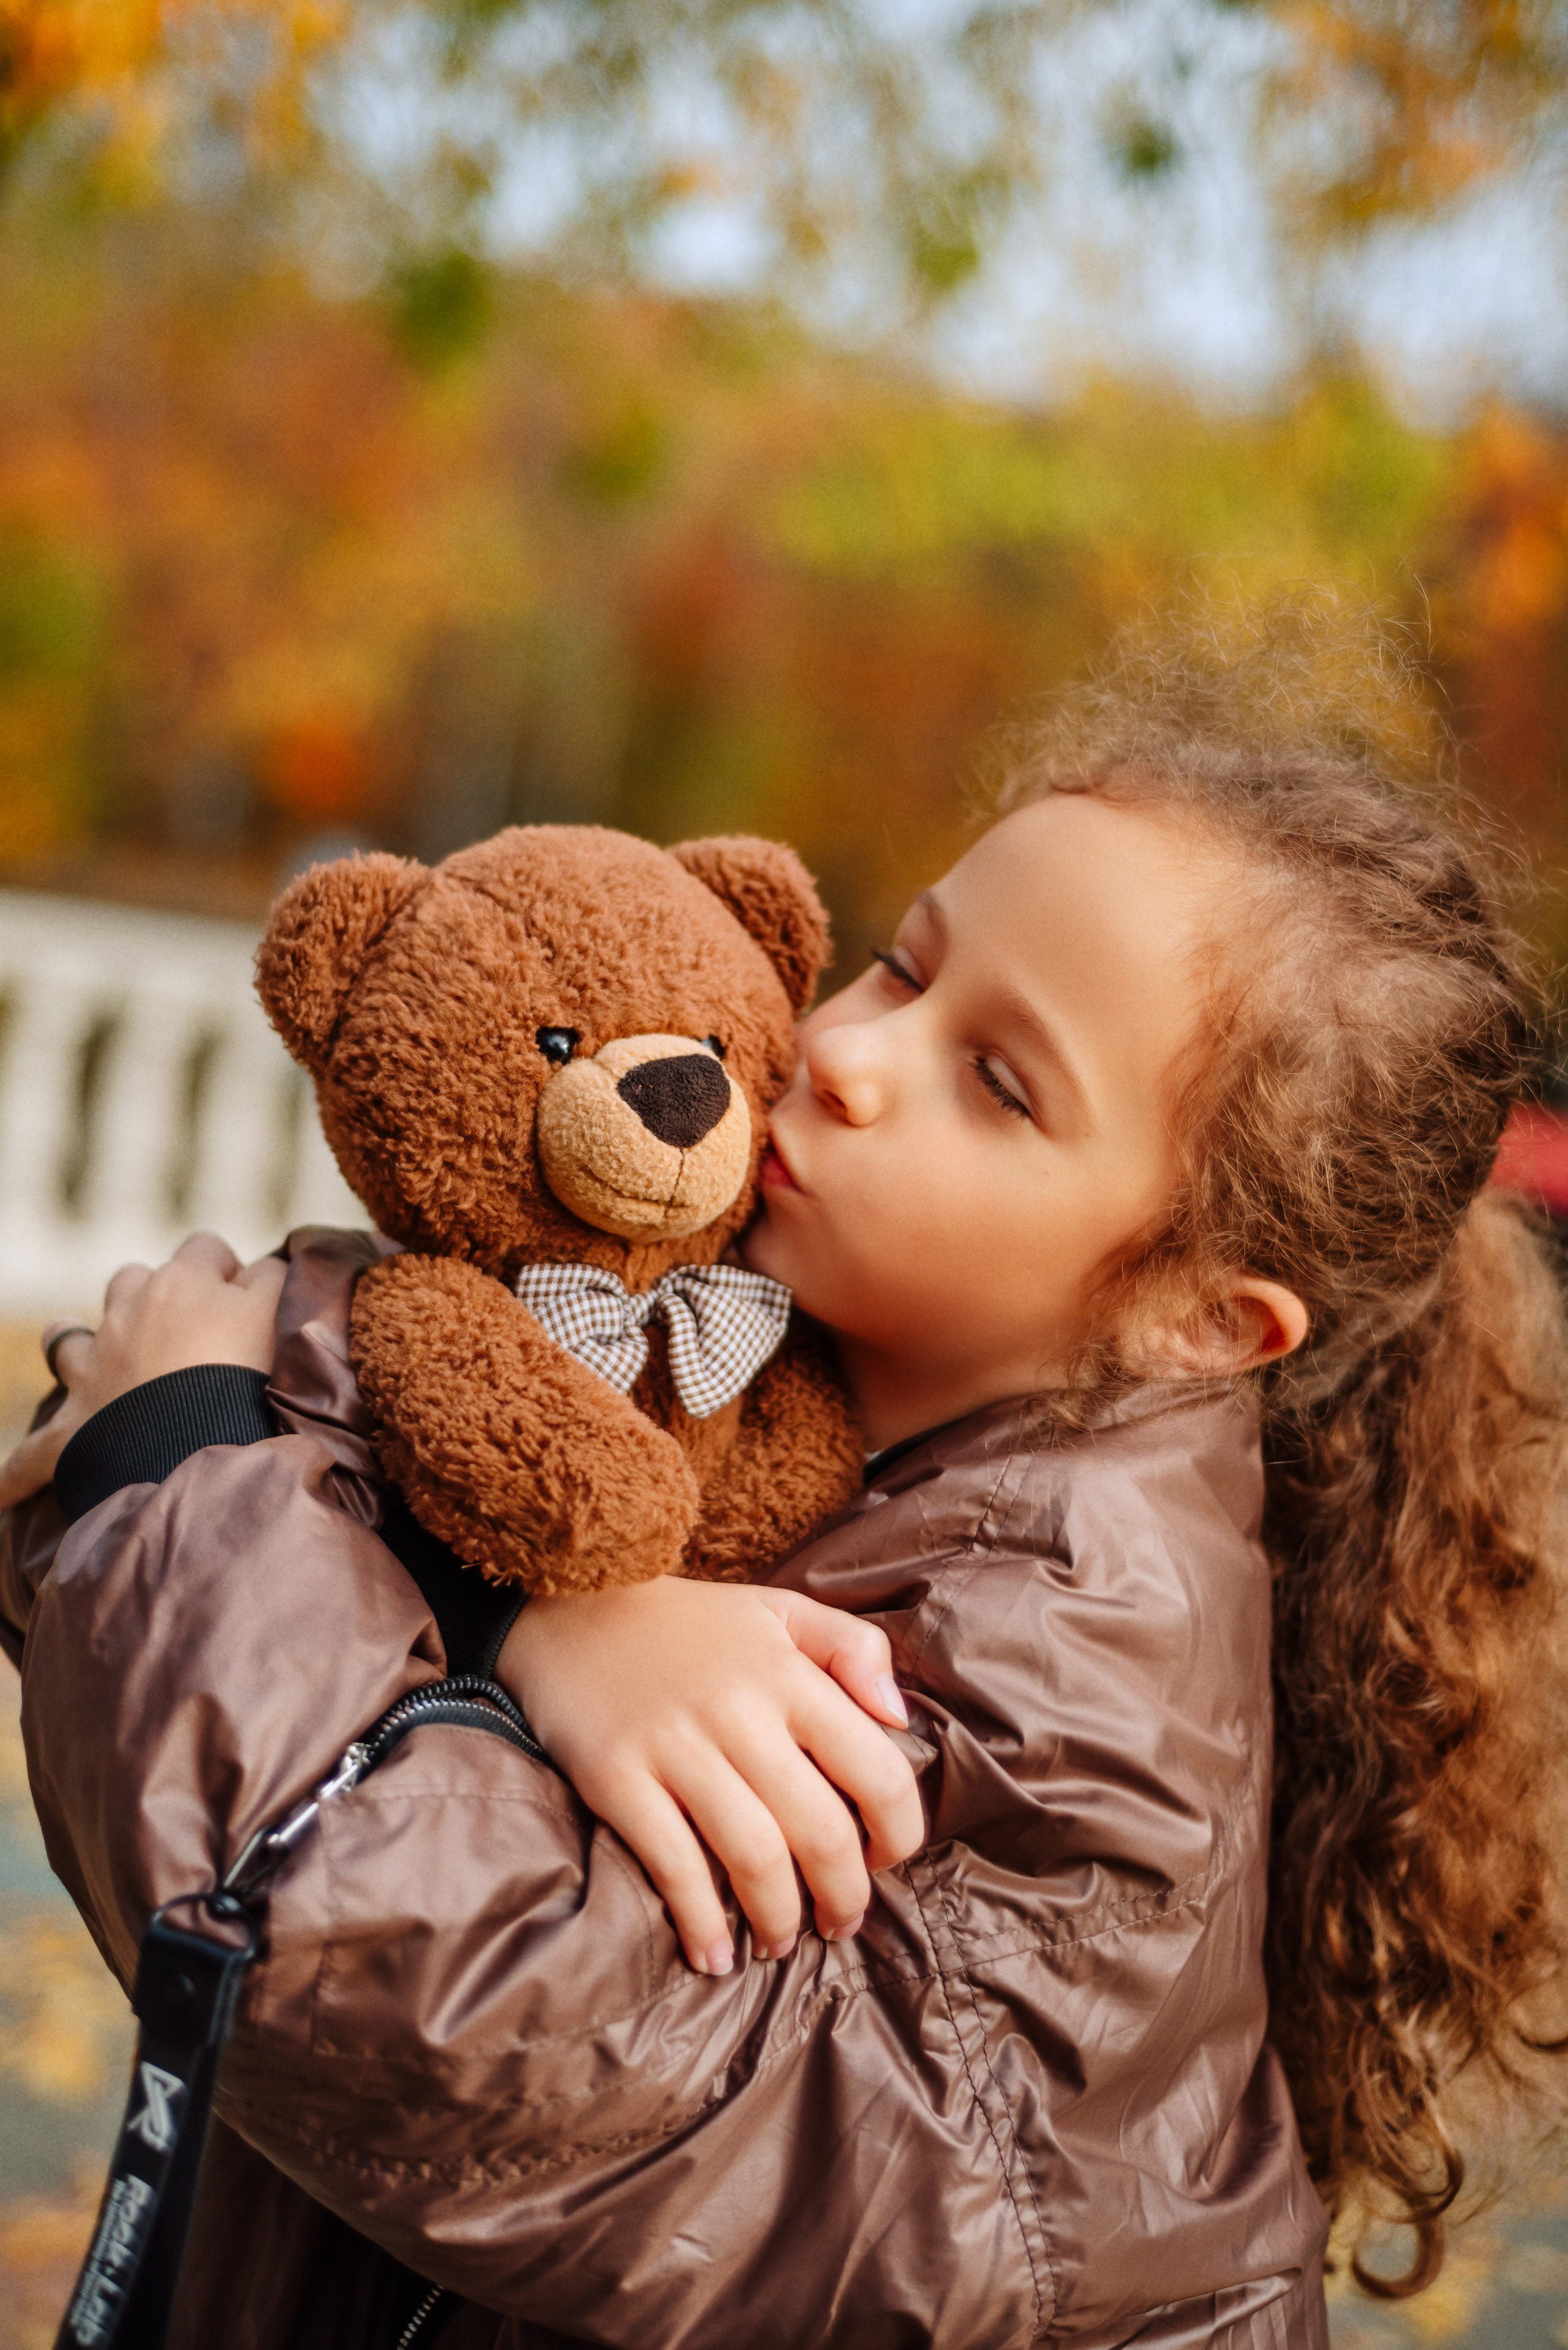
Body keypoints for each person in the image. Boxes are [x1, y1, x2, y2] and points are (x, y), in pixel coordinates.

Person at [6, 601, 1566, 2349]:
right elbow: (214, 1406)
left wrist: (233, 1479)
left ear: (1203, 1318)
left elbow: (443, 2022)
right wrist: (522, 1600)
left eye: (998, 1083)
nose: (845, 1051)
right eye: (905, 962)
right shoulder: (740, 1332)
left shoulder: (1060, 1681)